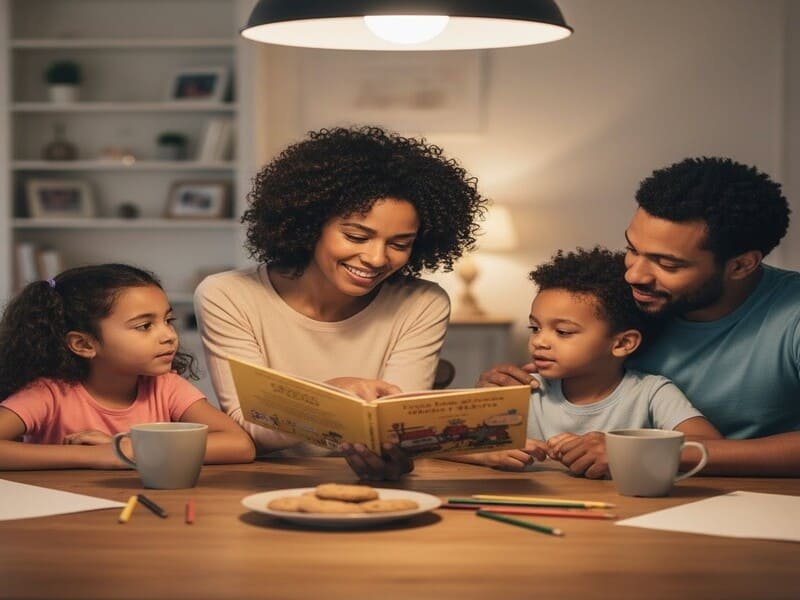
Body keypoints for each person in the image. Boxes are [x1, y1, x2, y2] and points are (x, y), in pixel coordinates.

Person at [194, 125, 487, 480]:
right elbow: (250, 427)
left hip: (374, 487)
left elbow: (395, 429)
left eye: (399, 244)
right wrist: (332, 396)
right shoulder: (228, 295)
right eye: (356, 236)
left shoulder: (422, 303)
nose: (377, 258)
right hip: (267, 482)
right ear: (310, 224)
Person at [454, 247, 720, 476]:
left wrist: (622, 450)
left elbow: (709, 445)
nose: (539, 341)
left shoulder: (651, 392)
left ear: (622, 343)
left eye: (563, 332)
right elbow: (436, 443)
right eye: (535, 328)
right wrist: (487, 453)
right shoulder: (526, 391)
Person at [623, 157, 799, 476]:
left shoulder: (793, 315)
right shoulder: (616, 297)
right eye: (632, 249)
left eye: (668, 265)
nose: (634, 276)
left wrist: (672, 453)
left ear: (741, 265)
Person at [0, 264, 256, 470]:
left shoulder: (166, 387)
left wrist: (132, 449)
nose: (169, 335)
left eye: (168, 320)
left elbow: (239, 444)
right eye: (144, 326)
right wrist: (95, 456)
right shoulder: (49, 393)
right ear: (83, 344)